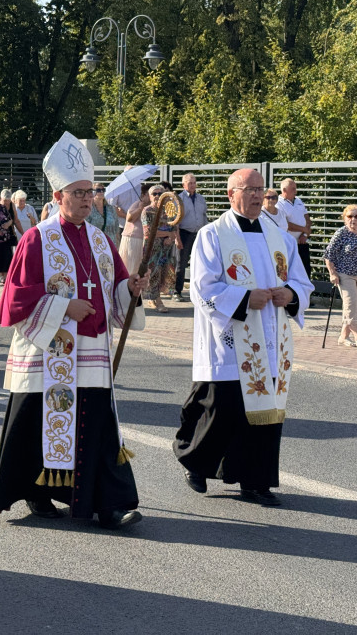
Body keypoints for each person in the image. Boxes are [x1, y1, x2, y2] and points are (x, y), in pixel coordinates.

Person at [0, 132, 148, 530]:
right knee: (40, 425)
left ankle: (110, 503)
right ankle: (37, 493)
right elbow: (15, 300)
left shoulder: (99, 239)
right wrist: (64, 307)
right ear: (58, 196)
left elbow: (114, 287)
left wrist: (129, 289)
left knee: (98, 428)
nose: (84, 199)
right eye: (76, 192)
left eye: (89, 192)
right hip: (49, 352)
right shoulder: (36, 238)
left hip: (92, 350)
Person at [173, 168, 313, 507]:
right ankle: (194, 460)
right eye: (248, 189)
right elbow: (203, 289)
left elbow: (301, 280)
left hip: (270, 339)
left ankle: (255, 481)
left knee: (264, 412)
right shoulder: (213, 234)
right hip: (230, 338)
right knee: (224, 407)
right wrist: (244, 298)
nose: (255, 195)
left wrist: (290, 295)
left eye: (260, 189)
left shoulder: (278, 234)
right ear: (230, 194)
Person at [323, 204, 357, 349]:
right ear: (344, 218)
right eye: (350, 216)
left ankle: (343, 337)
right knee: (351, 306)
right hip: (345, 275)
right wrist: (332, 273)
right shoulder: (341, 233)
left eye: (356, 216)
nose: (353, 219)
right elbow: (328, 255)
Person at [141, 185, 182, 312]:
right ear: (150, 196)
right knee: (153, 273)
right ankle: (157, 301)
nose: (157, 196)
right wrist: (168, 234)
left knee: (163, 273)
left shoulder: (169, 211)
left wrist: (171, 237)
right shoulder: (147, 211)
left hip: (166, 249)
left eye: (160, 193)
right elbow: (148, 232)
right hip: (152, 249)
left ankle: (154, 298)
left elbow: (174, 228)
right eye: (155, 194)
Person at [174, 173, 207, 303]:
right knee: (181, 264)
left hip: (198, 234)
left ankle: (198, 291)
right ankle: (177, 291)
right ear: (184, 185)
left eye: (194, 182)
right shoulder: (179, 199)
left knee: (200, 263)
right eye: (190, 183)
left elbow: (204, 217)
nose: (193, 185)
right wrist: (177, 238)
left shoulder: (201, 199)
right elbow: (175, 221)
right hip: (184, 234)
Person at [277, 178, 312, 278]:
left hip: (302, 243)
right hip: (288, 245)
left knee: (306, 272)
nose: (295, 191)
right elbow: (286, 224)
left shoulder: (298, 200)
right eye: (293, 189)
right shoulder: (278, 204)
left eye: (295, 188)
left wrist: (305, 234)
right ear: (284, 190)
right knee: (290, 273)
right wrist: (304, 229)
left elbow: (307, 219)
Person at [118, 182, 150, 275]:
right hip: (133, 239)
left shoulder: (152, 207)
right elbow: (130, 218)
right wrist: (140, 208)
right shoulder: (137, 204)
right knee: (131, 268)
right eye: (150, 194)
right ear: (143, 195)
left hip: (144, 240)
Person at [87, 182, 120, 246]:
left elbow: (116, 229)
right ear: (92, 192)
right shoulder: (89, 209)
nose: (101, 192)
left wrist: (117, 246)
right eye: (98, 190)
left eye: (103, 190)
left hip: (111, 244)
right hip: (95, 245)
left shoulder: (110, 209)